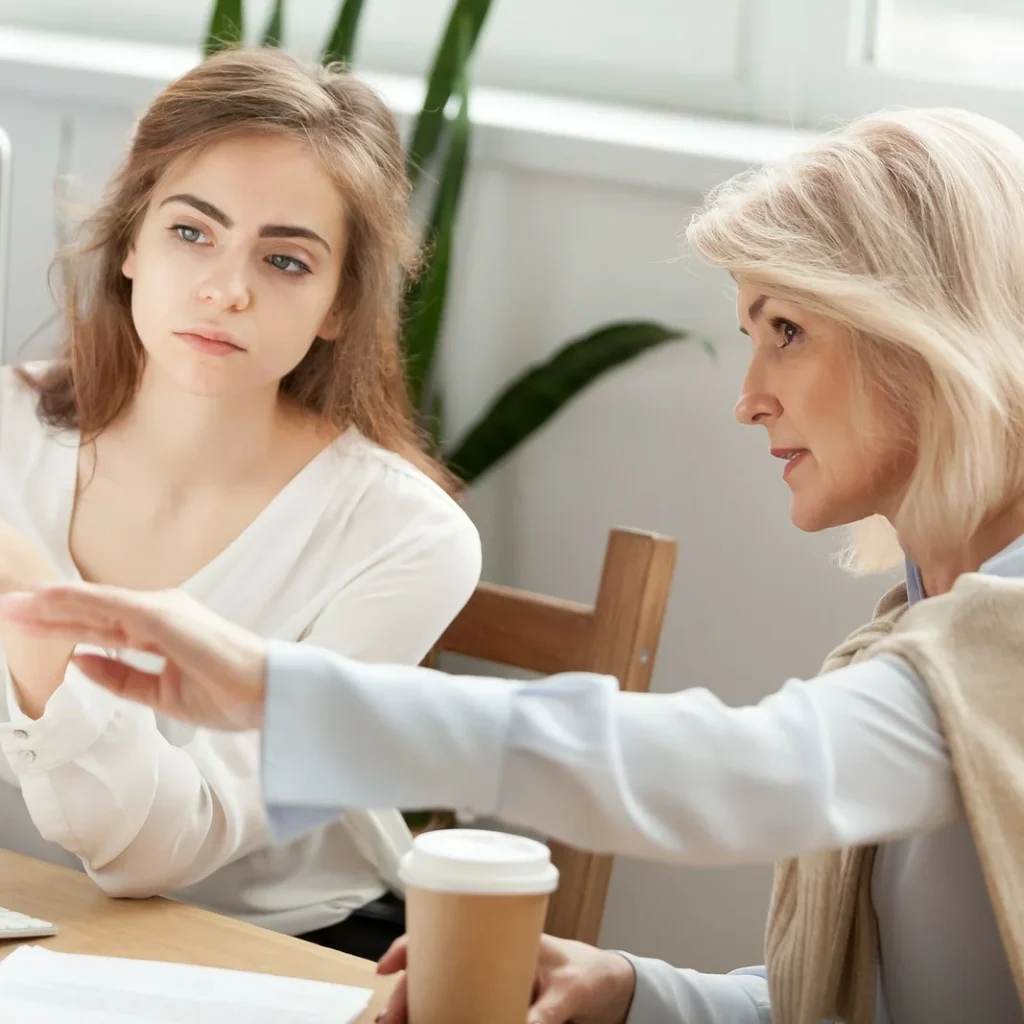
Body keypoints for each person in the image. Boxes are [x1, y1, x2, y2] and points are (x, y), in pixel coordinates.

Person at [4, 106, 1024, 1024]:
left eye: (788, 332)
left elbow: (755, 772)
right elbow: (858, 1005)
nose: (746, 396)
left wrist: (277, 692)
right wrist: (634, 988)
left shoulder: (1003, 640)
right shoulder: (926, 625)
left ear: (922, 343)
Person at [0, 47, 481, 960]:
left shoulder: (408, 542)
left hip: (280, 957)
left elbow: (163, 853)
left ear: (341, 303)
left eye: (287, 260)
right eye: (192, 233)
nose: (228, 288)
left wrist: (31, 603)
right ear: (131, 242)